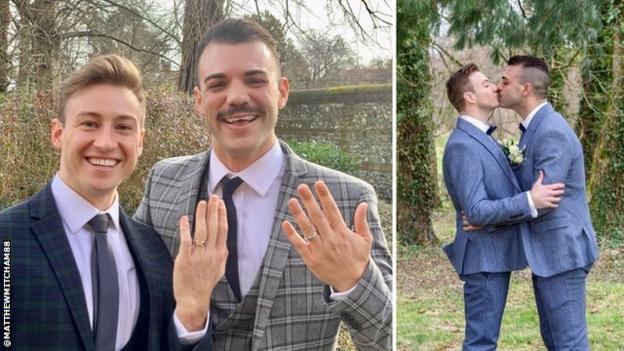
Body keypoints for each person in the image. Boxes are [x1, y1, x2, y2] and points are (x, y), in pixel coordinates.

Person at [134, 18, 392, 350]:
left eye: (255, 80)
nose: (236, 97)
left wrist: (354, 283)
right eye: (217, 85)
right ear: (198, 100)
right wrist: (190, 315)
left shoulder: (347, 200)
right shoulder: (163, 186)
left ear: (281, 91)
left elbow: (386, 340)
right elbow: (135, 315)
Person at [0, 54, 220, 350]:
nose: (105, 142)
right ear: (58, 133)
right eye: (90, 123)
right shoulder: (7, 239)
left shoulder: (155, 253)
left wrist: (192, 314)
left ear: (140, 141)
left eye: (123, 127)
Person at [442, 63, 565, 350]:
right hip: (483, 257)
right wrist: (529, 201)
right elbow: (476, 210)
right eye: (486, 84)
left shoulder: (484, 139)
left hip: (494, 253)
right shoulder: (463, 145)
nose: (495, 87)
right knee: (481, 343)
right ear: (469, 97)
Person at [496, 55, 599, 350]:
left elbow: (542, 200)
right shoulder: (534, 129)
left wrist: (486, 217)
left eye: (505, 81)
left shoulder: (550, 131)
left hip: (562, 252)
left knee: (568, 344)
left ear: (525, 88)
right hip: (549, 254)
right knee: (555, 340)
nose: (499, 86)